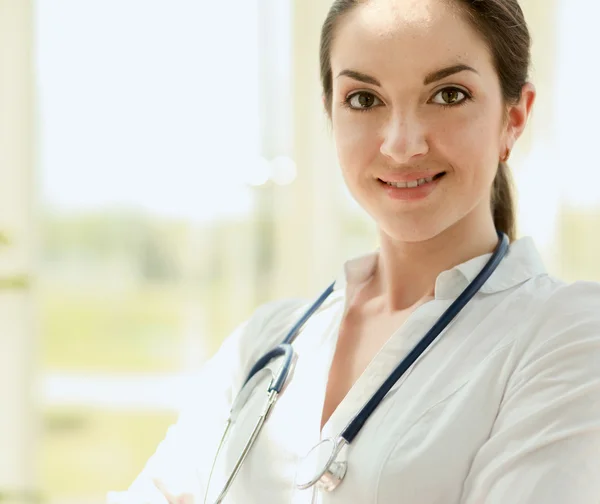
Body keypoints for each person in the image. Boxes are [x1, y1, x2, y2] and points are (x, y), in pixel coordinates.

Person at [107, 0, 600, 502]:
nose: (401, 144)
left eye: (448, 95)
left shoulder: (567, 336)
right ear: (331, 114)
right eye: (364, 100)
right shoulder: (267, 340)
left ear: (513, 118)